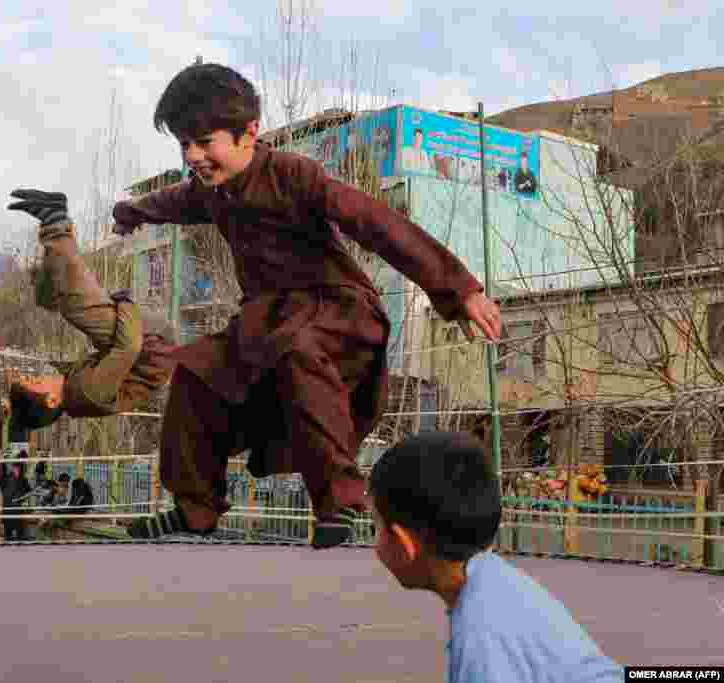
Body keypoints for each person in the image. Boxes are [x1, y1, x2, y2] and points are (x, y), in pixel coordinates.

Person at [108, 63, 500, 547]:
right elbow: (168, 201)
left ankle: (341, 503)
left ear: (249, 132)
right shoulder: (209, 192)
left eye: (204, 142)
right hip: (266, 318)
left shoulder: (292, 175)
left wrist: (457, 288)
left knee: (298, 350)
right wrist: (129, 212)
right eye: (184, 145)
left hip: (338, 308)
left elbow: (373, 221)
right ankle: (195, 507)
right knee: (197, 371)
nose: (194, 157)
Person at [368, 431, 622, 682]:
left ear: (405, 544)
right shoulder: (493, 578)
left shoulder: (482, 636)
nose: (375, 539)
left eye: (375, 527)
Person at [3, 190, 179, 442]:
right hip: (152, 344)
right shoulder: (88, 391)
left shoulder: (73, 389)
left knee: (48, 297)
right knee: (74, 307)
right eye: (35, 381)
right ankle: (55, 221)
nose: (38, 375)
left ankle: (58, 226)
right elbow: (128, 349)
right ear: (52, 400)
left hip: (144, 344)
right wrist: (127, 305)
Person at [0, 461, 31, 541]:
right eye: (15, 467)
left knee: (20, 535)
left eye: (18, 468)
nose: (17, 469)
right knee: (8, 535)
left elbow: (28, 492)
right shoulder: (6, 478)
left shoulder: (23, 480)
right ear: (12, 468)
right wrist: (1, 464)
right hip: (8, 511)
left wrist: (26, 503)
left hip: (18, 512)